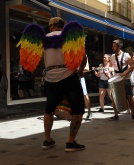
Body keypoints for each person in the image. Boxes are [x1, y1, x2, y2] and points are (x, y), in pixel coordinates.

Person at [42, 17, 87, 151]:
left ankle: (47, 140)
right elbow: (83, 57)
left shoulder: (43, 39)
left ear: (51, 26)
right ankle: (70, 142)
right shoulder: (69, 37)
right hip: (68, 76)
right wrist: (80, 70)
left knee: (48, 109)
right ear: (63, 26)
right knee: (78, 109)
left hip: (50, 77)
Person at [108, 39, 134, 121]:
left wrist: (124, 73)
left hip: (125, 79)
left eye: (114, 46)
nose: (112, 47)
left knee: (129, 96)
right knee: (114, 97)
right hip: (116, 79)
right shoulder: (112, 57)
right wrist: (109, 69)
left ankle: (133, 114)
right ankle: (116, 114)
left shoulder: (126, 55)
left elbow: (131, 66)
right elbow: (111, 66)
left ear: (119, 47)